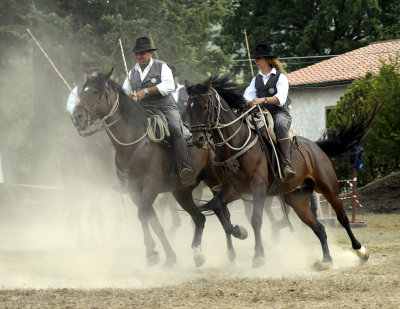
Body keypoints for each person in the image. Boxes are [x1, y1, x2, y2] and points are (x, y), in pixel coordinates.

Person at [122, 37, 193, 184]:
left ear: (150, 53)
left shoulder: (162, 67)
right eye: (137, 53)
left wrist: (146, 91)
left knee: (174, 127)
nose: (139, 56)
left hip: (164, 107)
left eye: (142, 53)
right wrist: (128, 96)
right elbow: (124, 91)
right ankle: (125, 172)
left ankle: (183, 166)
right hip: (141, 109)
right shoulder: (132, 72)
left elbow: (169, 86)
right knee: (125, 131)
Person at [243, 44, 296, 180]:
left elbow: (281, 99)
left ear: (267, 59)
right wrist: (248, 101)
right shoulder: (256, 80)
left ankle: (286, 164)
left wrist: (261, 100)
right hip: (261, 114)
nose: (256, 61)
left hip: (279, 113)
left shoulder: (281, 77)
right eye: (255, 58)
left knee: (278, 124)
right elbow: (247, 95)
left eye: (259, 58)